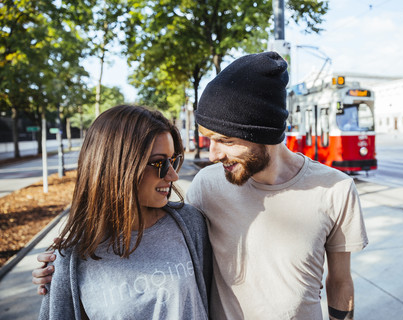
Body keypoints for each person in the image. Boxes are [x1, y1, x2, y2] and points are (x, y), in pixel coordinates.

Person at [34, 52, 368, 319]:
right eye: (209, 138)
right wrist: (62, 267)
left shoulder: (336, 189)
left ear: (263, 136)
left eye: (225, 140)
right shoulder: (208, 186)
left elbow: (340, 282)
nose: (213, 154)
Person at [36, 105, 212, 320]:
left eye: (173, 160)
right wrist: (60, 267)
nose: (173, 176)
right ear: (117, 167)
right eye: (158, 163)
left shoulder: (189, 223)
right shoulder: (72, 258)